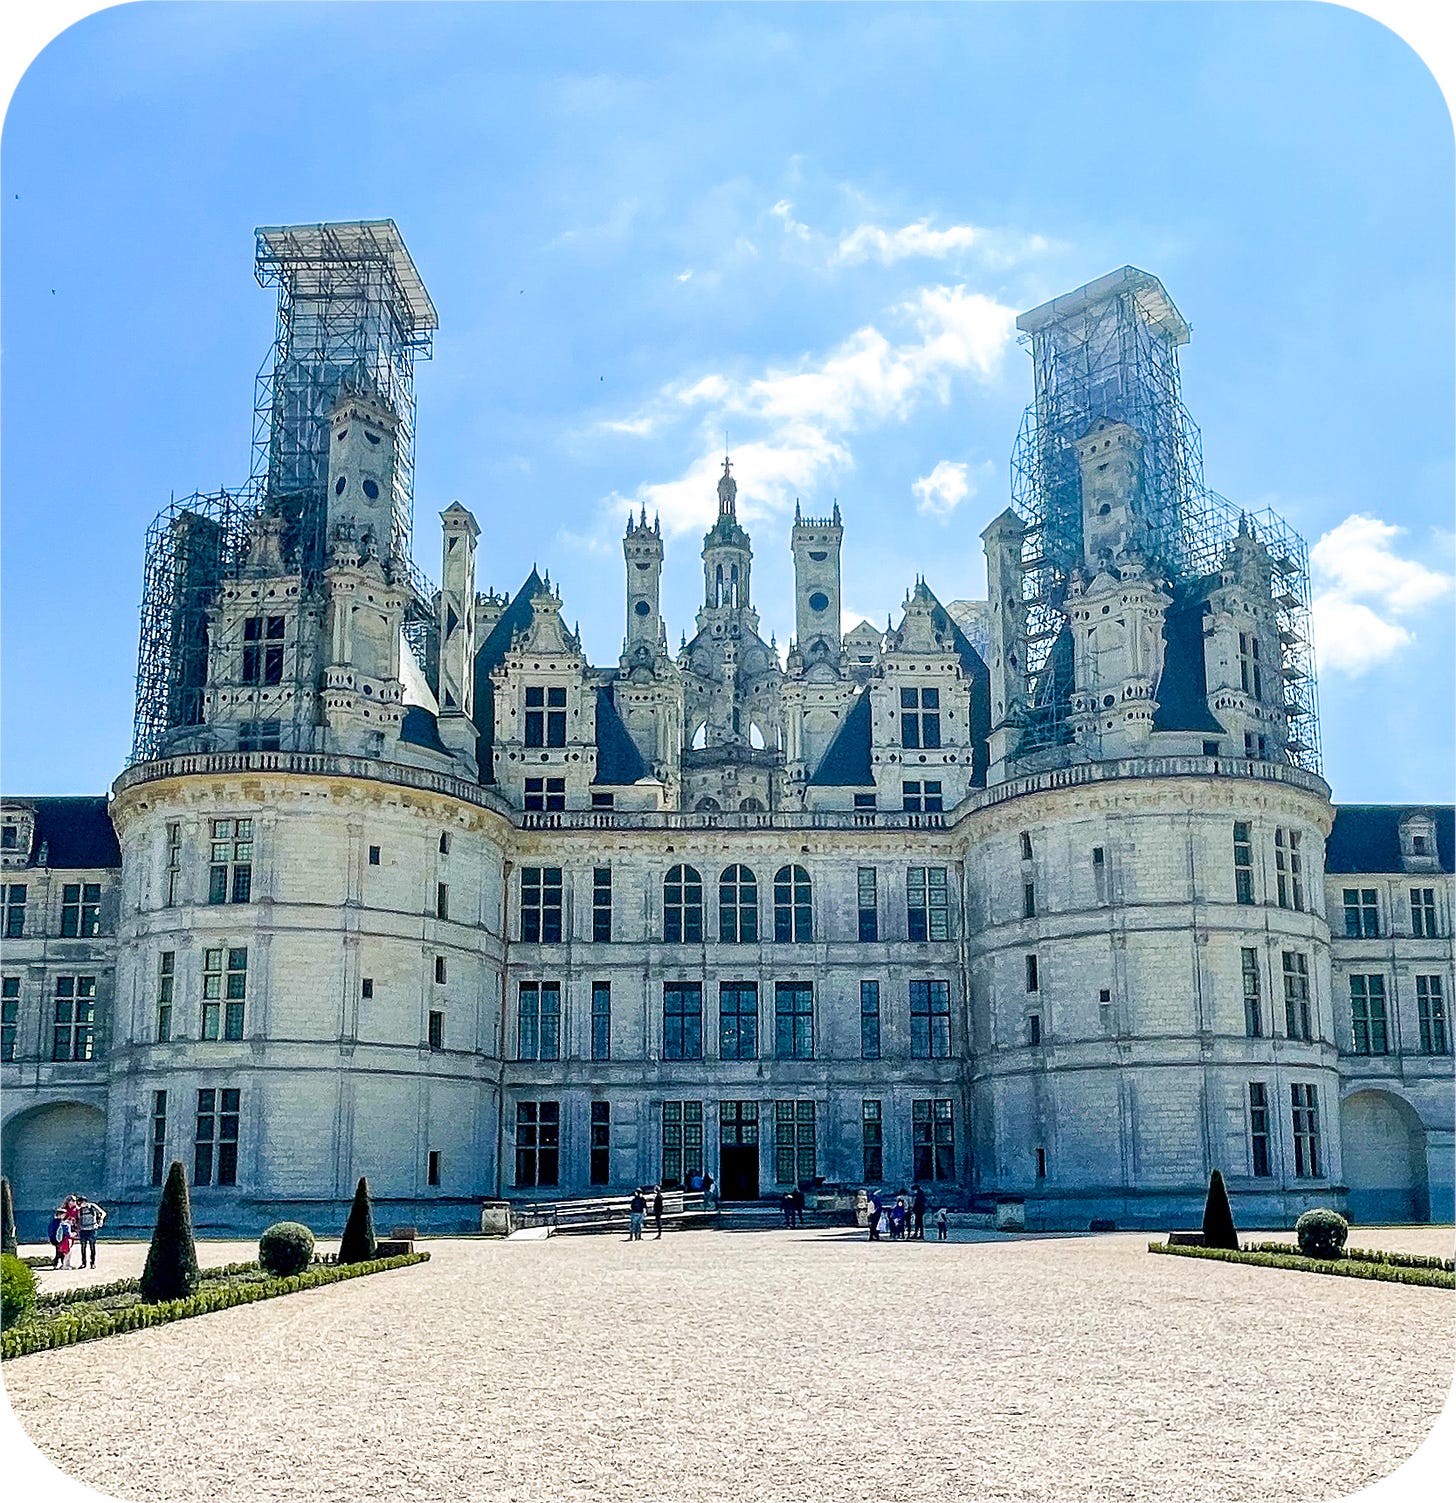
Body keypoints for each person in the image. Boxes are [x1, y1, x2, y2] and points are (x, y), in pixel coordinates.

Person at [75, 1196, 107, 1268]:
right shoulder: (80, 1210)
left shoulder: (92, 1206)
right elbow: (78, 1219)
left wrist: (100, 1220)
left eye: (80, 1203)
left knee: (92, 1246)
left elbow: (103, 1213)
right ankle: (84, 1263)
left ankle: (92, 1263)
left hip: (92, 1229)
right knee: (83, 1247)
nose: (79, 1205)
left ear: (84, 1202)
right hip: (83, 1230)